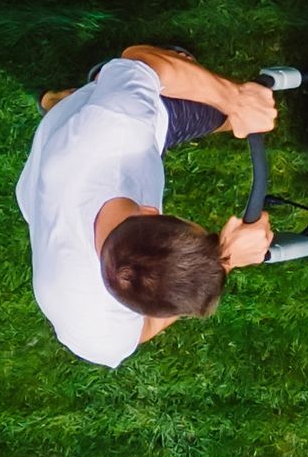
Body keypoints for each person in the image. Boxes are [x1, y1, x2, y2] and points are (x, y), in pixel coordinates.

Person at [16, 43, 276, 368]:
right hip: (44, 185)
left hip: (79, 140)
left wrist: (235, 100)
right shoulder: (94, 328)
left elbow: (139, 59)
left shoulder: (117, 128)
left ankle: (79, 94)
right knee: (167, 89)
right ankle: (62, 101)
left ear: (151, 212)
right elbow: (145, 326)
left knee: (202, 91)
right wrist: (225, 261)